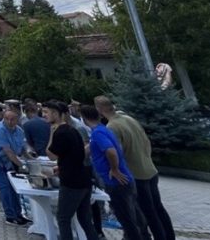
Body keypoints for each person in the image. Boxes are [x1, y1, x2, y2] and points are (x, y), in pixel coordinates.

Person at [95, 96, 175, 240]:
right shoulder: (129, 119)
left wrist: (115, 170)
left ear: (99, 110)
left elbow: (115, 152)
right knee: (158, 208)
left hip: (135, 173)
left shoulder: (112, 127)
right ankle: (169, 236)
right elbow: (146, 141)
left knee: (148, 212)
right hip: (149, 169)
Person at [81, 105, 148, 240]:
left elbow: (110, 151)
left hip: (117, 181)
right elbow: (90, 150)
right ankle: (145, 236)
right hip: (125, 179)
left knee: (126, 218)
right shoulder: (103, 130)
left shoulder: (97, 133)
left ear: (84, 118)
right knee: (135, 213)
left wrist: (114, 169)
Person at [44, 101, 99, 240]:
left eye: (47, 112)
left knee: (63, 218)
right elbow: (74, 155)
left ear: (56, 114)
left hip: (72, 182)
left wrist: (52, 132)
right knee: (85, 218)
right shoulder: (72, 130)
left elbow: (50, 155)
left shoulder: (61, 132)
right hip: (84, 179)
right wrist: (61, 166)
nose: (44, 115)